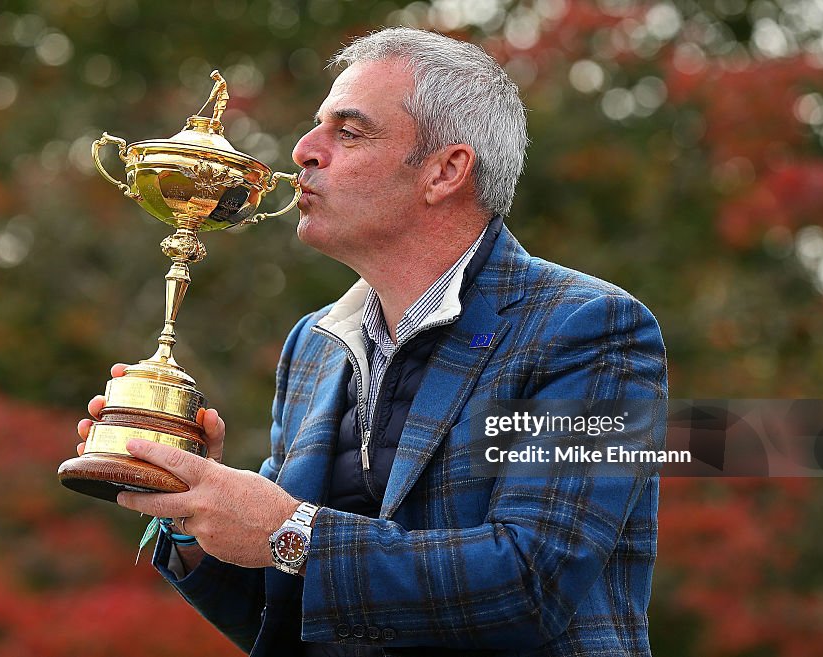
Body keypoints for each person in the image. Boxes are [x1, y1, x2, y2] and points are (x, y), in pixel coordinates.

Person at [76, 27, 667, 657]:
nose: (303, 150)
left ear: (446, 171)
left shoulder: (590, 329)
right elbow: (282, 622)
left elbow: (533, 580)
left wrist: (288, 530)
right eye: (316, 126)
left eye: (348, 132)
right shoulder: (314, 344)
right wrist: (193, 507)